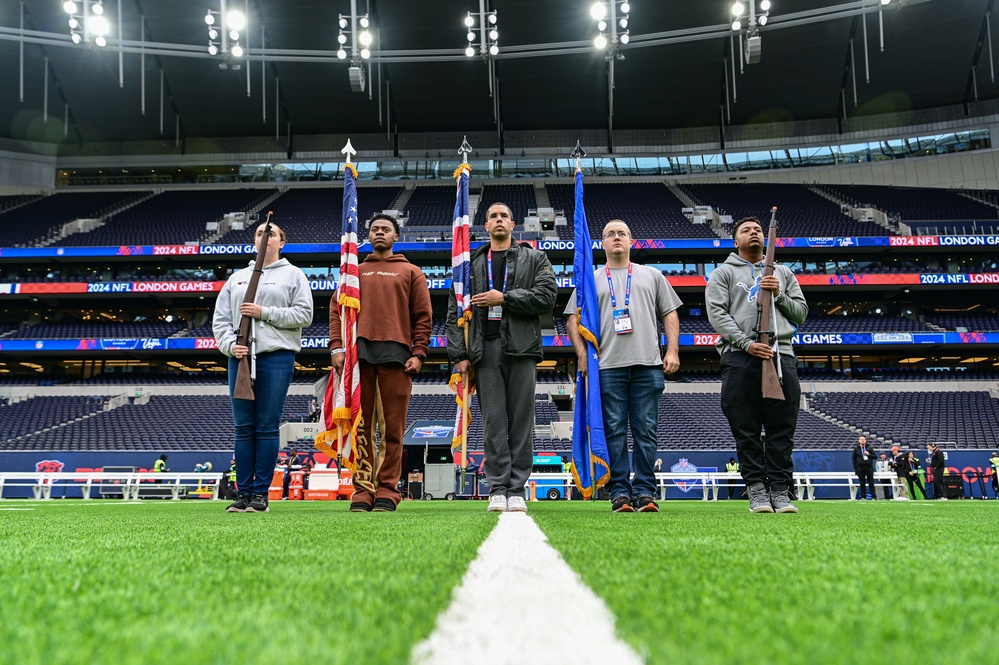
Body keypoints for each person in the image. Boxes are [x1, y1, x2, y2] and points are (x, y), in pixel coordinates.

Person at [447, 202, 557, 513]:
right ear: (486, 226)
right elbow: (454, 311)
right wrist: (459, 354)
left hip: (522, 350)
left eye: (504, 216)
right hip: (485, 349)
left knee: (521, 422)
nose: (498, 220)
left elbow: (547, 298)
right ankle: (497, 487)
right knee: (494, 421)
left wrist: (505, 298)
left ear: (513, 224)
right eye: (493, 216)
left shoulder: (534, 258)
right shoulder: (470, 264)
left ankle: (517, 489)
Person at [566, 219, 682, 513]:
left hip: (648, 364)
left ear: (631, 241)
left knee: (646, 432)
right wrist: (581, 353)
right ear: (602, 243)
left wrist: (672, 350)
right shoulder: (590, 279)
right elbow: (572, 319)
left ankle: (645, 491)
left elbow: (669, 313)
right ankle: (619, 491)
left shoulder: (651, 275)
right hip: (607, 367)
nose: (616, 237)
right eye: (610, 234)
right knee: (614, 431)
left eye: (622, 233)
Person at [331, 213, 433, 513]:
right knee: (361, 429)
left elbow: (423, 318)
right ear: (368, 236)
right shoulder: (354, 272)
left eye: (385, 229)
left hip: (397, 359)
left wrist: (419, 353)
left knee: (392, 430)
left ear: (395, 236)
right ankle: (362, 490)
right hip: (358, 360)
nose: (379, 233)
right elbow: (336, 312)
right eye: (374, 229)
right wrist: (336, 347)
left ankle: (388, 490)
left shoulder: (411, 271)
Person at [706, 216, 808, 514]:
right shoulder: (723, 273)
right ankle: (757, 490)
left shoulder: (784, 273)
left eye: (759, 230)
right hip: (740, 358)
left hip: (781, 354)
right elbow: (718, 315)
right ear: (735, 240)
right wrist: (746, 343)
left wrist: (778, 294)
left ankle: (780, 489)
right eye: (746, 230)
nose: (754, 233)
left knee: (782, 427)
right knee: (746, 429)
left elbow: (800, 313)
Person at [213, 221, 314, 513]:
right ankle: (242, 493)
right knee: (243, 428)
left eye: (271, 233)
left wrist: (263, 312)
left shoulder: (293, 275)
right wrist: (231, 346)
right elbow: (220, 320)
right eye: (259, 233)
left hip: (276, 356)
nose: (265, 237)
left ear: (281, 242)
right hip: (240, 359)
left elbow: (304, 314)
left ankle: (260, 495)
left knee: (268, 427)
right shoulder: (237, 278)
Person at [852, 435, 877, 500]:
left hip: (869, 467)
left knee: (871, 482)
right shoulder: (856, 449)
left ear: (865, 440)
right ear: (859, 441)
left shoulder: (869, 448)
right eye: (861, 439)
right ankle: (863, 496)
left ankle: (874, 496)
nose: (862, 440)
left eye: (863, 439)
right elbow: (853, 458)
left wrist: (869, 454)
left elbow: (875, 456)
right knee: (862, 483)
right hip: (860, 467)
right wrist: (856, 468)